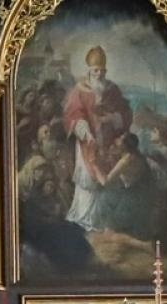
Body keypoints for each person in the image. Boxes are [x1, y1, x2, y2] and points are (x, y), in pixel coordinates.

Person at [63, 46, 133, 232]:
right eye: (96, 70)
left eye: (102, 70)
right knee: (88, 179)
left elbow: (125, 111)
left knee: (108, 178)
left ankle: (105, 220)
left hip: (109, 142)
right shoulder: (78, 90)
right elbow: (72, 114)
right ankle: (85, 218)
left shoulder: (112, 89)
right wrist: (85, 130)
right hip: (89, 142)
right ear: (89, 70)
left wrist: (114, 118)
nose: (99, 73)